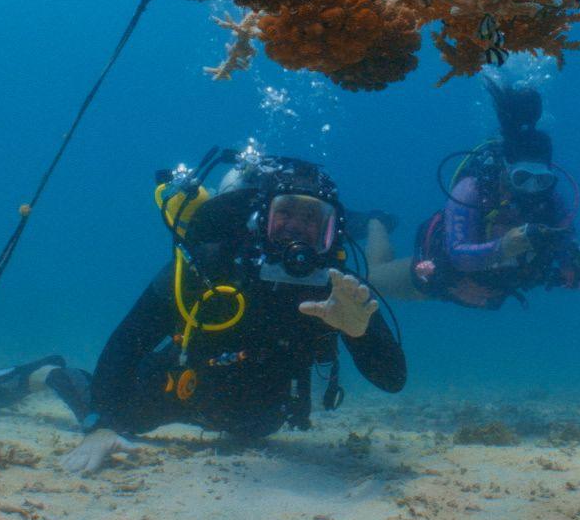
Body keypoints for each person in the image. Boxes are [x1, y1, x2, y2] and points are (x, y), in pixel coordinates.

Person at [62, 153, 406, 476]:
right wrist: (101, 425)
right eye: (285, 211)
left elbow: (392, 380)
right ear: (262, 218)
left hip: (260, 419)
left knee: (255, 425)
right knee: (118, 411)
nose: (296, 227)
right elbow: (126, 343)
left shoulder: (338, 288)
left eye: (312, 217)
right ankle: (48, 373)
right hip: (177, 391)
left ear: (329, 232)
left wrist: (359, 333)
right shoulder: (209, 266)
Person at [367, 79, 580, 309]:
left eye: (541, 180)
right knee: (373, 280)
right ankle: (377, 222)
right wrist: (502, 248)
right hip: (437, 280)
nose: (532, 189)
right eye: (522, 178)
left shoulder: (551, 201)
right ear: (505, 170)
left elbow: (565, 252)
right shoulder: (473, 189)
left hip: (492, 291)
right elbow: (456, 253)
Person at [0, 355, 95, 428]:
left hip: (14, 388)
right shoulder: (61, 375)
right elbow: (71, 394)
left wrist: (85, 416)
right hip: (13, 384)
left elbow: (73, 393)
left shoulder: (68, 375)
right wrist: (84, 419)